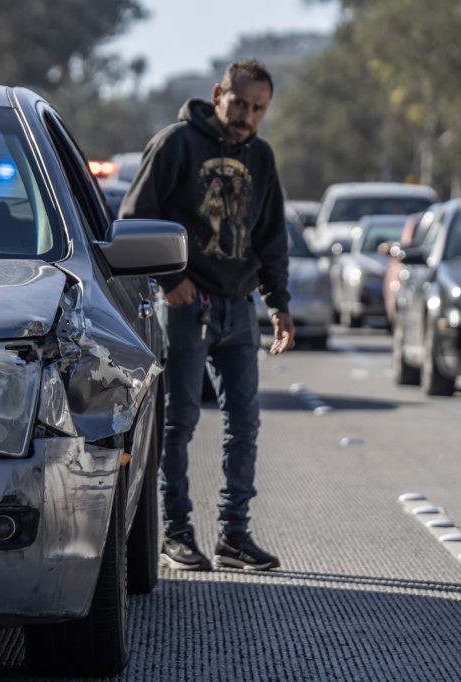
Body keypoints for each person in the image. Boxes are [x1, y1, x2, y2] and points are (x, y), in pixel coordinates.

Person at [120, 59, 295, 571]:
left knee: (245, 423)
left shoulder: (261, 158)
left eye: (258, 108)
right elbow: (134, 219)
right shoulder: (176, 143)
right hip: (185, 308)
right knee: (179, 423)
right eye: (239, 103)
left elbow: (270, 238)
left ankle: (233, 537)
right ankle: (175, 534)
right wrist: (173, 280)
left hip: (239, 310)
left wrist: (279, 304)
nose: (246, 116)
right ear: (218, 94)